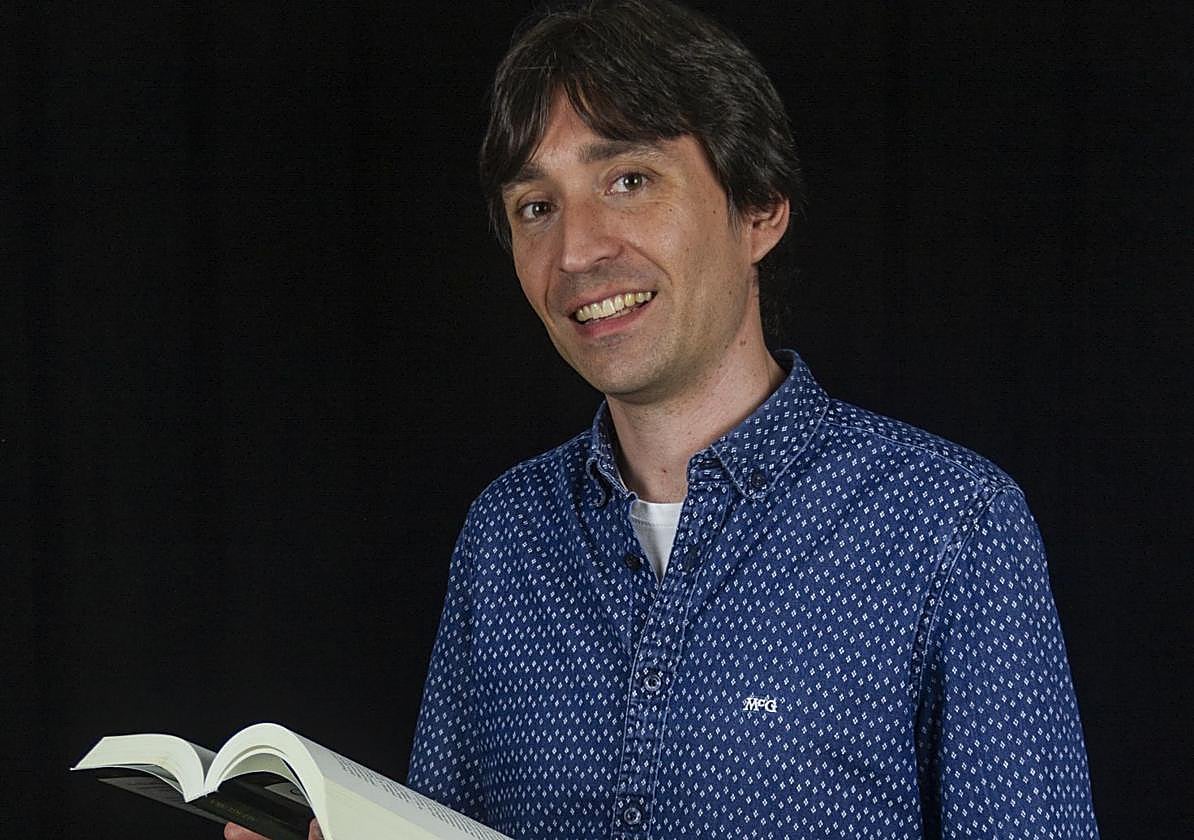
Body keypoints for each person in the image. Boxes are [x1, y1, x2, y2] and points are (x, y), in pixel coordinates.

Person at [231, 1, 1099, 838]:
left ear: (759, 208)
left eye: (629, 181)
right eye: (537, 207)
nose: (576, 251)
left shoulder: (949, 525)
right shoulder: (503, 537)